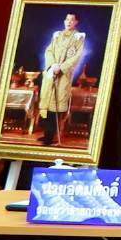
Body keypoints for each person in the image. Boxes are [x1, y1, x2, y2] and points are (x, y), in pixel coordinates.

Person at [38, 12, 85, 145]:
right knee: (47, 105)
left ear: (76, 22)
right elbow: (49, 51)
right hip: (52, 72)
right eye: (67, 19)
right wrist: (53, 65)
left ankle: (50, 136)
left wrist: (61, 67)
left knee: (56, 106)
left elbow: (76, 57)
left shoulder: (78, 38)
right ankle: (46, 134)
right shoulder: (57, 35)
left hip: (63, 76)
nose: (69, 22)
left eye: (72, 20)